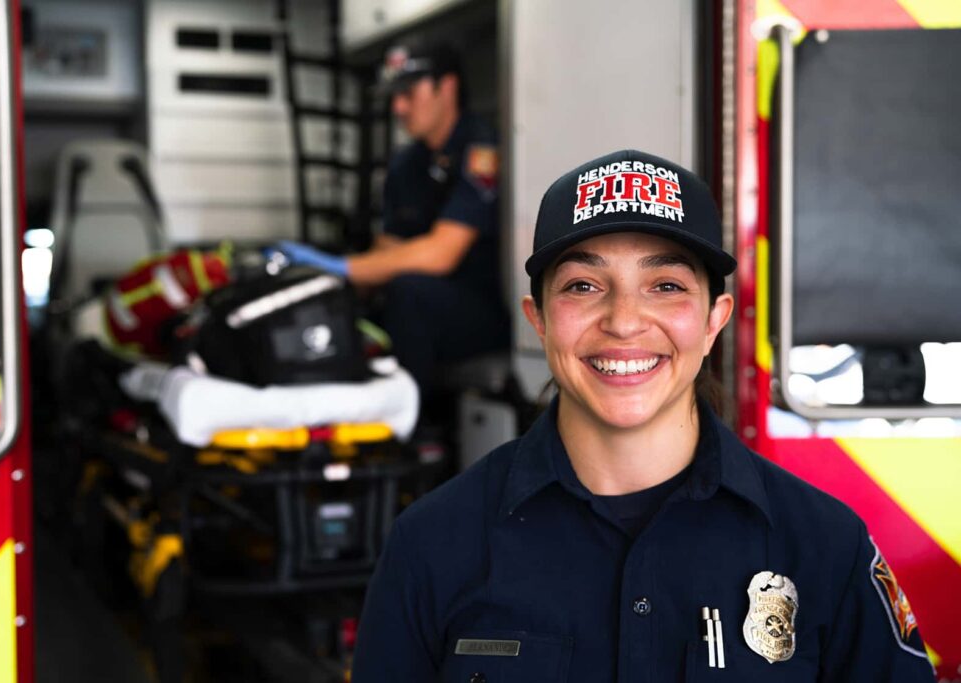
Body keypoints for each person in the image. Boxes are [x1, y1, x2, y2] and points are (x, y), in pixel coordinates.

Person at [350, 149, 935, 682]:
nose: (625, 321)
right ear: (539, 319)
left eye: (665, 285)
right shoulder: (432, 545)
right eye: (582, 285)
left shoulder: (825, 546)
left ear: (714, 320)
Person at [279, 43, 510, 393]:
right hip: (424, 310)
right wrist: (320, 284)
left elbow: (440, 255)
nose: (397, 107)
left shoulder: (480, 149)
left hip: (483, 313)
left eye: (408, 93)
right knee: (361, 304)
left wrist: (341, 266)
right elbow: (388, 249)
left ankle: (412, 431)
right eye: (393, 96)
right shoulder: (406, 164)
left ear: (446, 87)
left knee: (407, 292)